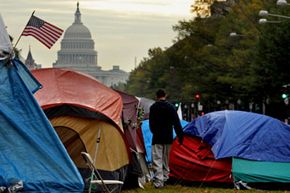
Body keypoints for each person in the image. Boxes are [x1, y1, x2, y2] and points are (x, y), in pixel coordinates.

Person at [149, 89, 184, 188]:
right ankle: (165, 178)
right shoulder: (171, 107)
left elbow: (151, 123)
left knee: (157, 159)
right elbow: (177, 123)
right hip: (168, 137)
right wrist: (180, 136)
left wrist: (154, 132)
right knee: (165, 159)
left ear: (156, 96)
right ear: (165, 95)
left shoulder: (153, 107)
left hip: (157, 137)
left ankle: (158, 182)